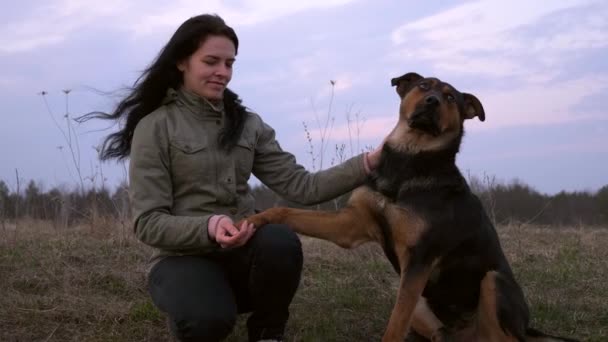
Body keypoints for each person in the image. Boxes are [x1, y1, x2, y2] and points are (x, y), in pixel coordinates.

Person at [85, 14, 384, 342]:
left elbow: (303, 186)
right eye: (211, 62)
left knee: (280, 241)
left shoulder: (248, 125)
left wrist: (369, 163)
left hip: (243, 255)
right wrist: (208, 226)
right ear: (183, 61)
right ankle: (197, 311)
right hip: (180, 261)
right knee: (208, 322)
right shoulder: (154, 128)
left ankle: (269, 332)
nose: (222, 73)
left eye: (229, 64)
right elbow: (148, 223)